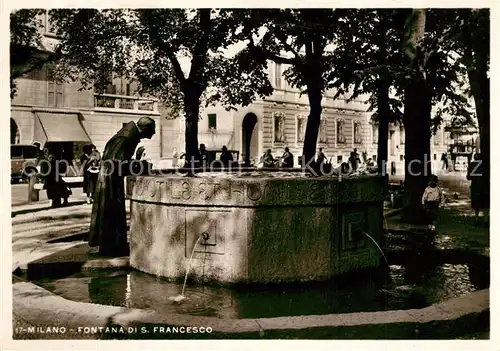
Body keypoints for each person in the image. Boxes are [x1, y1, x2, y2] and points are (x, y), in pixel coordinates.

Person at [88, 117, 156, 256]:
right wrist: (139, 164)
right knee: (111, 212)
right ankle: (111, 247)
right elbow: (117, 164)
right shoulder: (126, 138)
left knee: (112, 212)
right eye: (152, 129)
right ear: (144, 129)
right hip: (109, 181)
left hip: (110, 178)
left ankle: (113, 245)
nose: (154, 133)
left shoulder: (128, 135)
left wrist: (135, 160)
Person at [467, 153, 488, 225]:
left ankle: (476, 219)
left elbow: (468, 177)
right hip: (485, 186)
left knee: (476, 204)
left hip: (475, 186)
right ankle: (486, 220)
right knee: (485, 203)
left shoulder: (471, 164)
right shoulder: (485, 165)